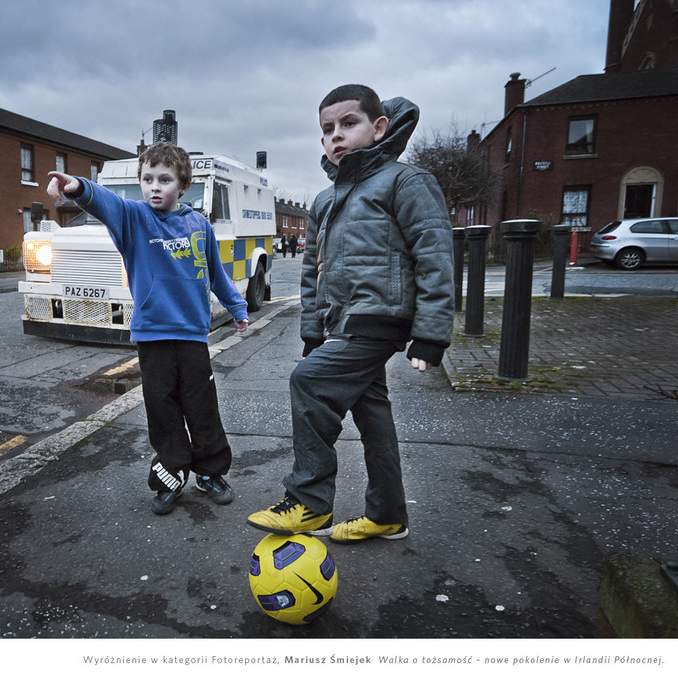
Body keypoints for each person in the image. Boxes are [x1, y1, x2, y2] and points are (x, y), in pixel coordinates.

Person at [247, 84, 454, 544]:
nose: (336, 136)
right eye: (327, 129)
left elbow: (435, 255)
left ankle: (309, 502)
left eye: (348, 123)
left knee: (308, 380)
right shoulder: (324, 200)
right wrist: (312, 329)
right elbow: (311, 270)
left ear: (378, 127)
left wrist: (432, 333)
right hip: (341, 321)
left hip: (380, 317)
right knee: (372, 412)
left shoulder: (406, 181)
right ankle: (388, 515)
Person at [47, 142, 249, 516]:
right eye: (147, 179)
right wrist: (76, 187)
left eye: (165, 179)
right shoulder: (134, 220)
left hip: (191, 337)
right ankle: (171, 477)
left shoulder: (199, 225)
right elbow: (106, 202)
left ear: (183, 185)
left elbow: (216, 274)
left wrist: (237, 306)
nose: (154, 186)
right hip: (153, 336)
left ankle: (210, 473)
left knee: (202, 408)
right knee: (163, 411)